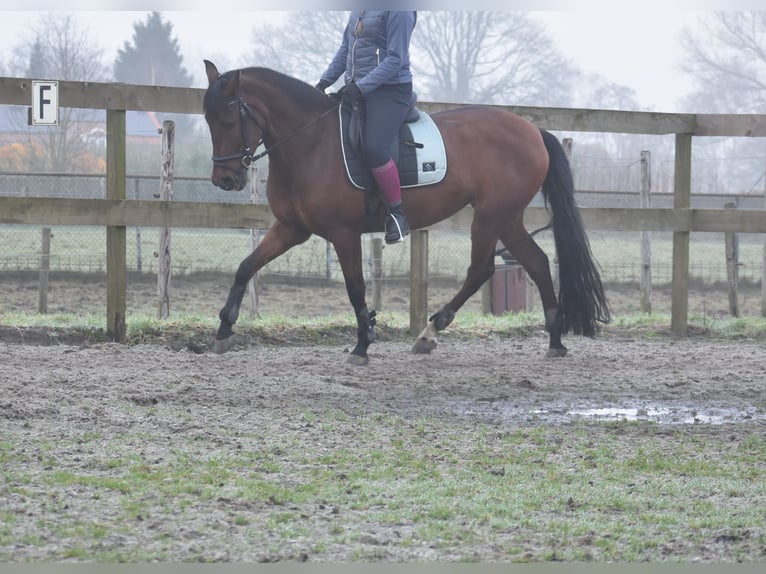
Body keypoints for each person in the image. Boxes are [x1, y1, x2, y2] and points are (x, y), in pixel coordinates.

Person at [315, 10, 417, 245]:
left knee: (375, 147)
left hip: (391, 90)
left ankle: (397, 215)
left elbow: (395, 59)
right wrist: (324, 82)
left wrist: (360, 87)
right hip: (359, 88)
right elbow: (345, 48)